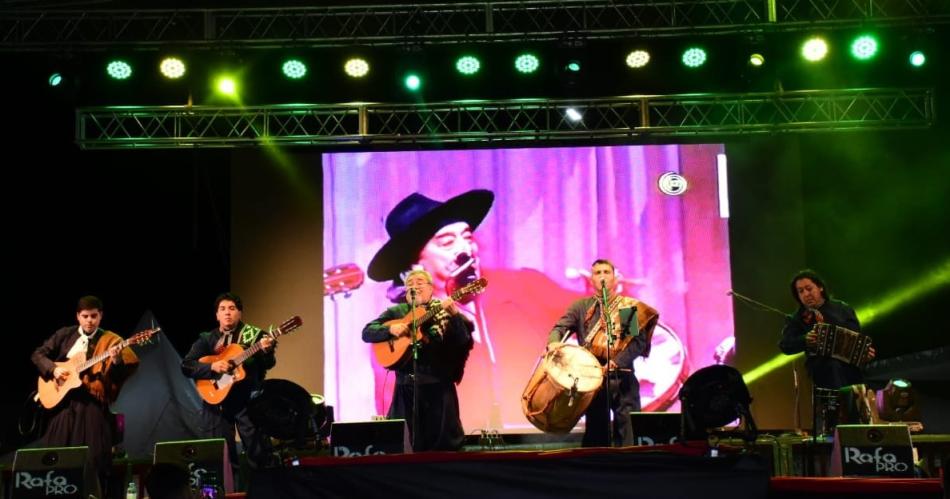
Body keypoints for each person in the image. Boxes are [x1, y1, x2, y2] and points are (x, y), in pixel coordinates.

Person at [30, 295, 140, 496]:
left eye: (94, 316)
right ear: (78, 317)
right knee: (58, 455)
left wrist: (115, 361)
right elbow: (38, 355)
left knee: (93, 459)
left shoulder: (111, 340)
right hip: (63, 406)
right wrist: (53, 370)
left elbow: (118, 375)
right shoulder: (65, 335)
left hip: (92, 407)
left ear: (100, 316)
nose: (89, 320)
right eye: (85, 316)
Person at [547, 259, 658, 447]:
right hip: (593, 381)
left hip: (623, 378)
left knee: (629, 436)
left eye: (607, 272)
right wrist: (554, 343)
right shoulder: (580, 308)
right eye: (597, 273)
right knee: (596, 435)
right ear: (591, 279)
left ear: (615, 278)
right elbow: (559, 328)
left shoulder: (625, 308)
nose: (602, 276)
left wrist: (616, 362)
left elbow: (636, 343)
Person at [362, 269, 474, 451]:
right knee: (401, 443)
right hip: (405, 387)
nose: (415, 286)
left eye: (420, 282)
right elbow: (367, 332)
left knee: (442, 445)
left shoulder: (444, 311)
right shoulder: (397, 312)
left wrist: (454, 315)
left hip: (438, 386)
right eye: (410, 284)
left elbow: (462, 341)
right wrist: (391, 330)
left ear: (430, 289)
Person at [181, 293, 276, 473]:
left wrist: (267, 351)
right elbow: (186, 366)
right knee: (221, 461)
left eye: (232, 309)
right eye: (222, 309)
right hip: (216, 404)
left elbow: (269, 364)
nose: (227, 313)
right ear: (217, 315)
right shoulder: (207, 339)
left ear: (240, 313)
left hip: (247, 401)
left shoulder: (256, 335)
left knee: (259, 456)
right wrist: (212, 367)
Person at [779, 269, 875, 390]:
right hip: (823, 373)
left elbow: (857, 337)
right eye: (801, 291)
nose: (806, 294)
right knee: (830, 366)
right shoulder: (796, 318)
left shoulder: (842, 308)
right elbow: (785, 345)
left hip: (851, 370)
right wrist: (805, 340)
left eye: (809, 288)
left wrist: (863, 352)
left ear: (820, 287)